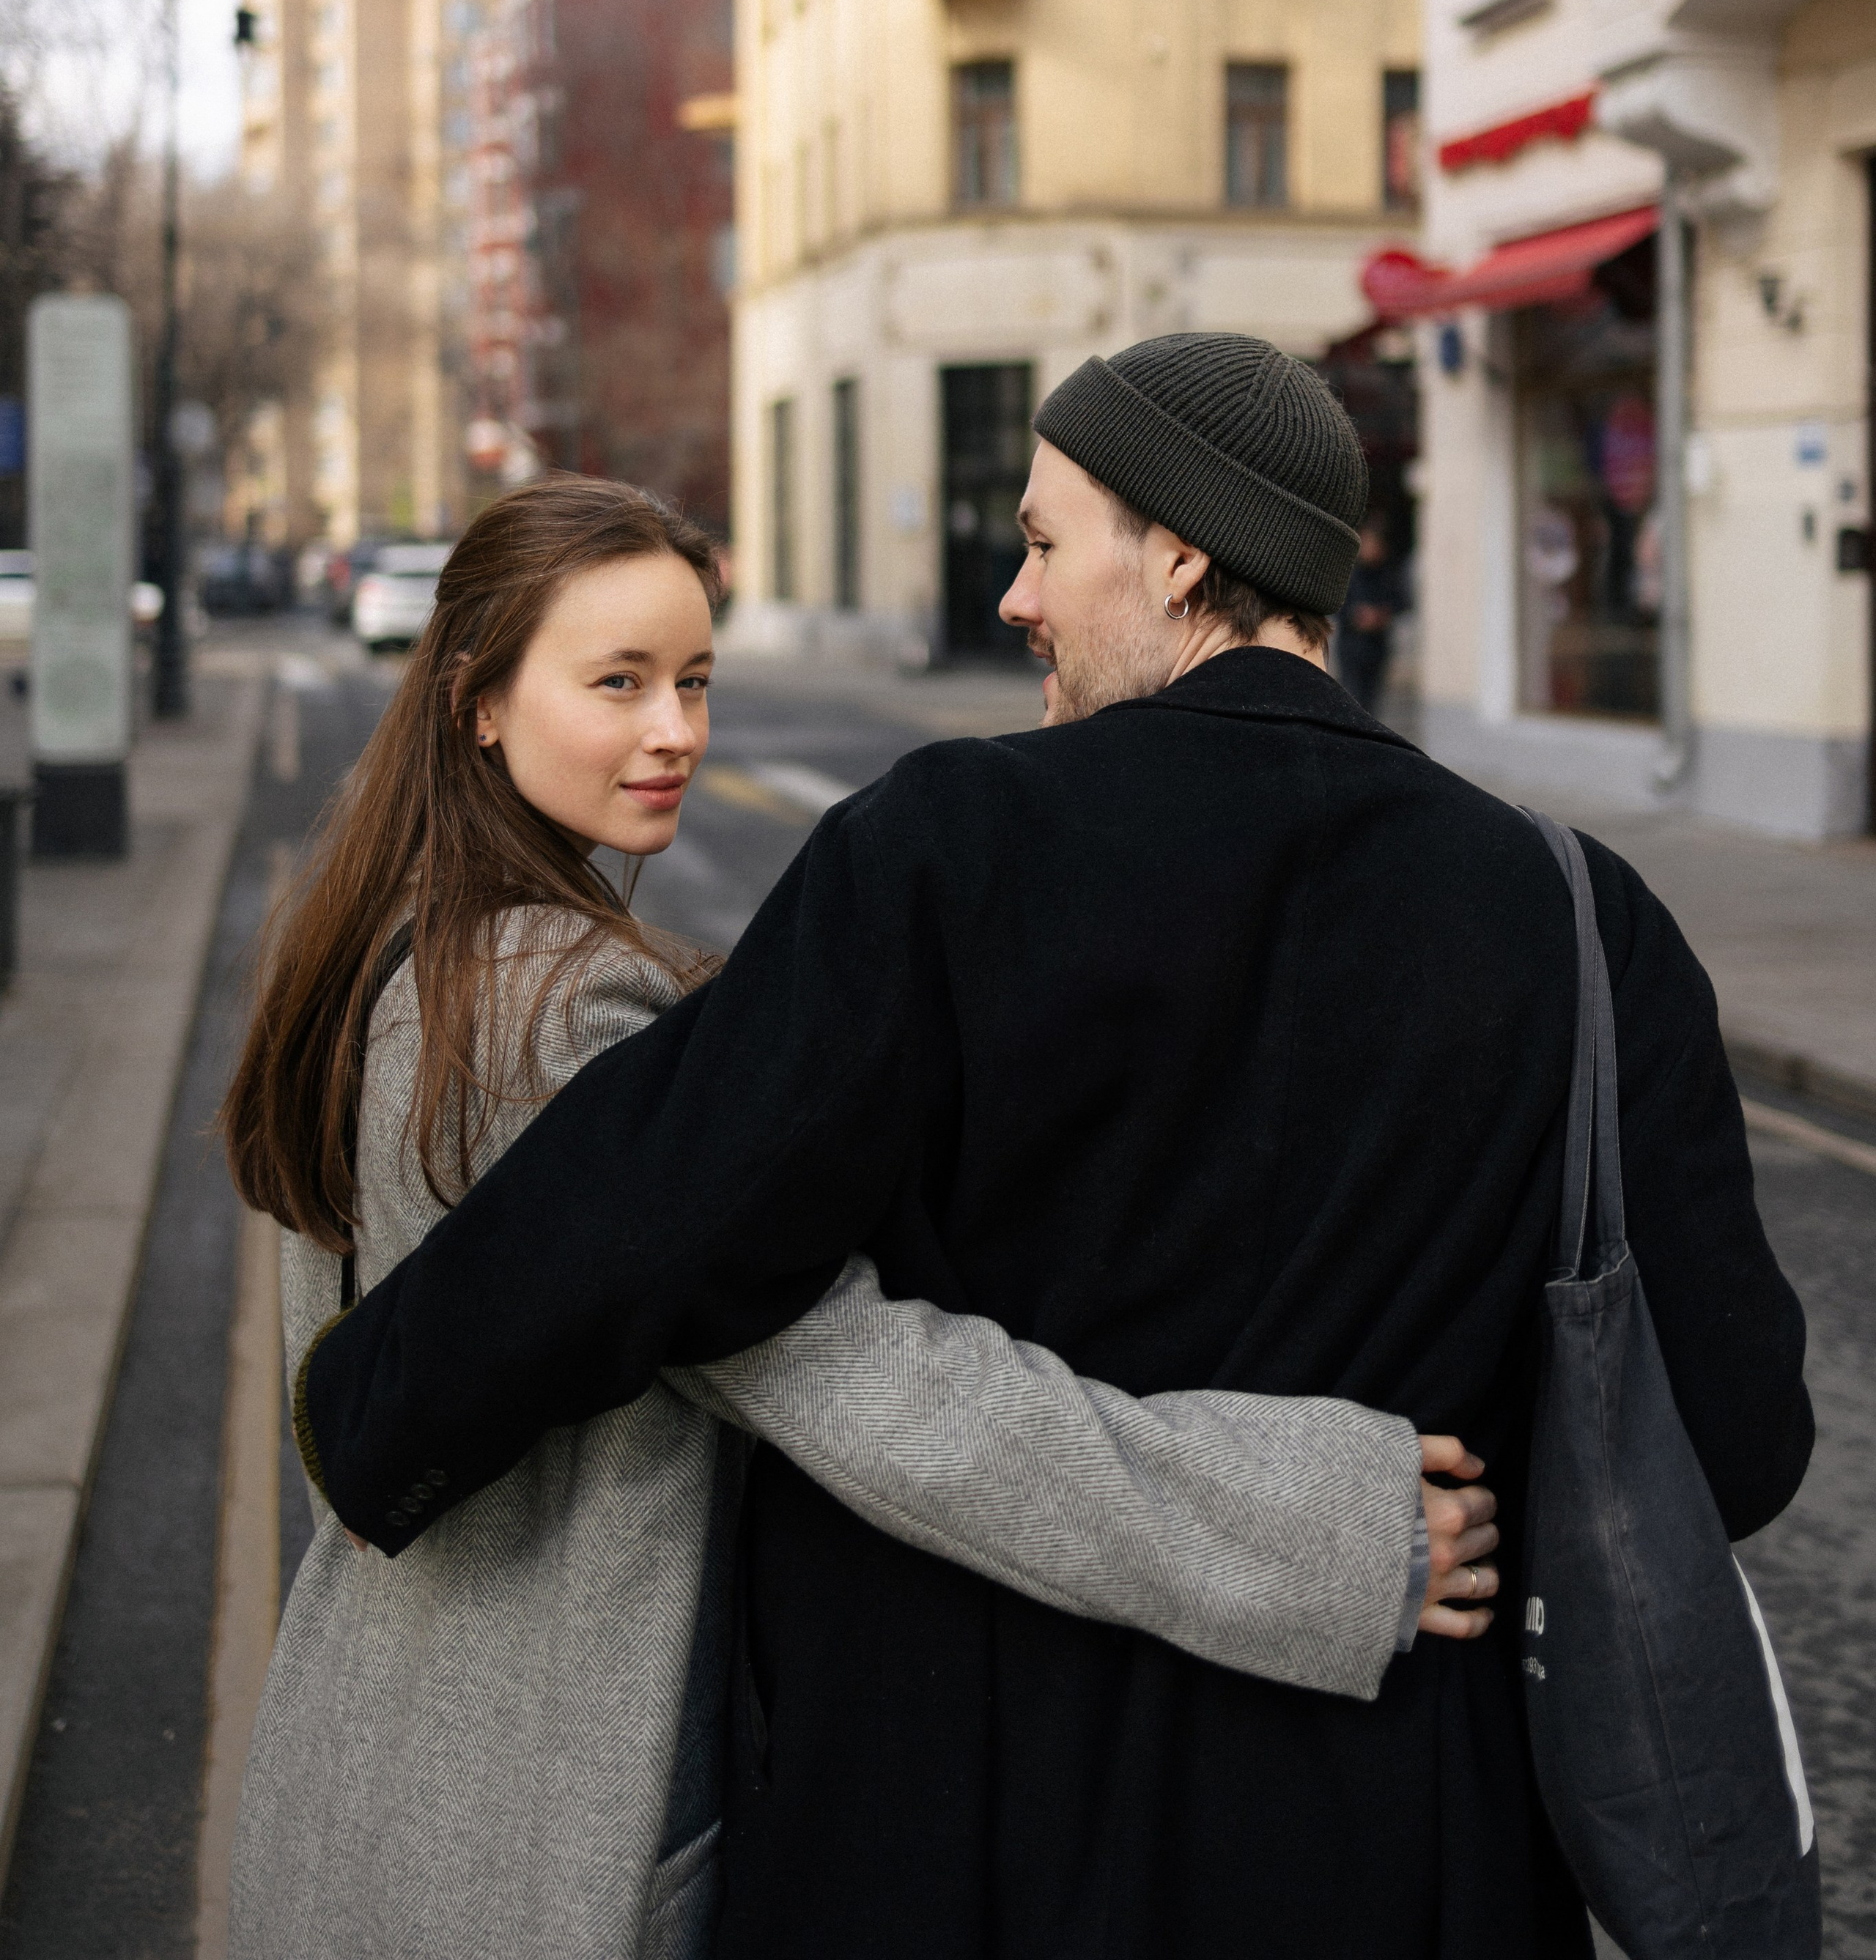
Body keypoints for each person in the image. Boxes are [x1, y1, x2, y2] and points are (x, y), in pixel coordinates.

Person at [298, 338, 1813, 1959]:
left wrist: (375, 1404)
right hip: (1397, 1841)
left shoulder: (946, 849)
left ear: (1175, 553)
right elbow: (1733, 1435)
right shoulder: (1583, 921)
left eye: (1037, 541)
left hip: (958, 1831)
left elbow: (653, 1217)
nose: (1012, 597)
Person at [222, 475, 1499, 1960]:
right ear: (479, 705)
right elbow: (864, 1388)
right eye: (616, 683)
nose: (675, 734)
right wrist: (1313, 1531)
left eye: (695, 679)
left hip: (373, 1745)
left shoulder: (396, 945)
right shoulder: (550, 1014)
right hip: (520, 1817)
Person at [1336, 512, 1406, 714]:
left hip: (1376, 649)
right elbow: (1338, 607)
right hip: (1352, 648)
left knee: (1372, 704)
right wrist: (1356, 616)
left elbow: (1400, 603)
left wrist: (1381, 616)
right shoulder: (1349, 574)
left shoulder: (1387, 575)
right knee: (1352, 699)